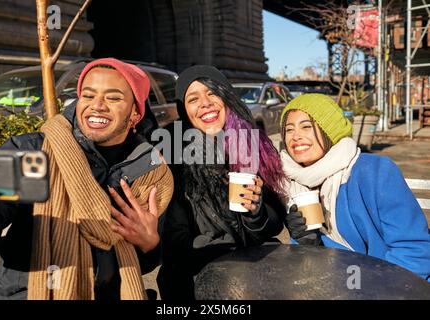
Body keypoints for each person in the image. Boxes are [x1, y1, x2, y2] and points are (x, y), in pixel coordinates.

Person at [0, 58, 174, 299]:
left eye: (113, 98)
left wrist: (150, 244)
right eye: (88, 95)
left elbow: (141, 265)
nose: (97, 105)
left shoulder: (149, 171)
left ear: (135, 113)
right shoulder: (32, 153)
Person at [156, 65, 287, 300]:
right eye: (193, 99)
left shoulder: (252, 146)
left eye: (212, 93)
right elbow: (173, 242)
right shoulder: (173, 158)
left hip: (251, 281)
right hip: (195, 286)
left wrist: (255, 214)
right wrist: (228, 248)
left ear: (226, 98)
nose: (205, 103)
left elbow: (274, 223)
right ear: (185, 111)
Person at [280, 93, 430, 281]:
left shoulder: (374, 172)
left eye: (306, 127)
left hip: (390, 284)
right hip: (338, 283)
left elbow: (414, 251)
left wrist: (375, 290)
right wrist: (308, 243)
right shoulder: (294, 184)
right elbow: (309, 268)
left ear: (329, 130)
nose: (296, 137)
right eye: (289, 129)